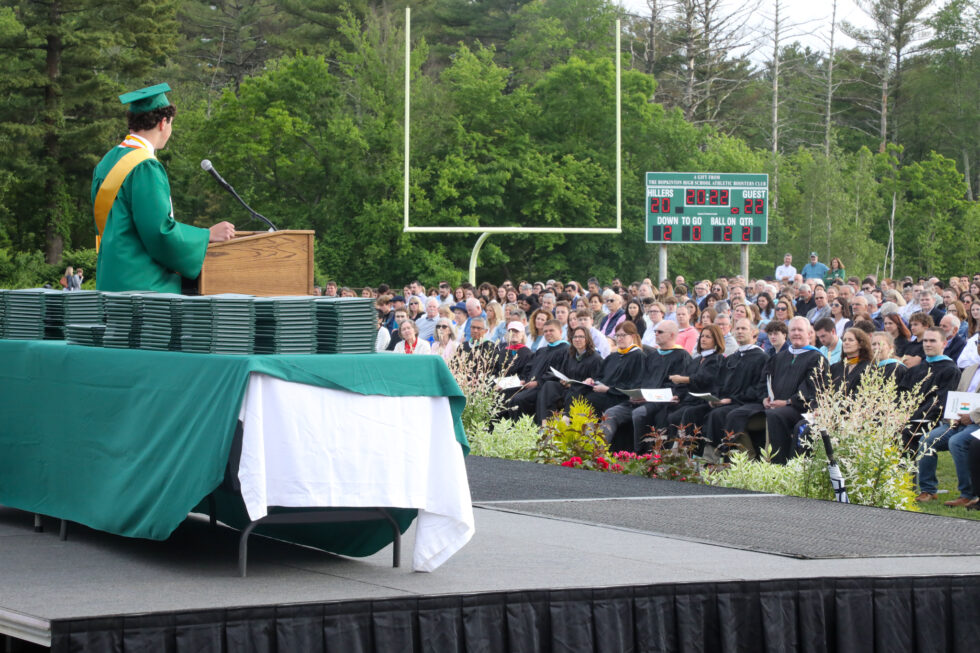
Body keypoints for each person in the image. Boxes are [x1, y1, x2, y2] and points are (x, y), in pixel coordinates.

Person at [93, 84, 234, 292]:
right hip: (142, 286)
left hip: (112, 279)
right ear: (163, 123)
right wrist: (206, 235)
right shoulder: (145, 165)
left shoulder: (108, 161)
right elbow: (159, 233)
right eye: (171, 124)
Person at [725, 317, 828, 464]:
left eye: (800, 330)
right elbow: (763, 382)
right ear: (788, 333)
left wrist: (788, 401)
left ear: (809, 334)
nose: (796, 333)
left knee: (774, 416)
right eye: (793, 330)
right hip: (772, 406)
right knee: (736, 415)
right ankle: (746, 462)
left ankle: (773, 464)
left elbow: (812, 389)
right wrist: (764, 398)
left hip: (797, 408)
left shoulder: (816, 358)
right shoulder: (778, 357)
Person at [599, 320, 691, 452]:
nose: (656, 334)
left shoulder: (682, 356)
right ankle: (599, 452)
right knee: (611, 413)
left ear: (671, 335)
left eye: (660, 332)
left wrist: (650, 397)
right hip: (641, 400)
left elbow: (677, 388)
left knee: (639, 414)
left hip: (659, 402)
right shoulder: (652, 355)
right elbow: (640, 379)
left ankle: (639, 456)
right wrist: (636, 394)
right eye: (655, 331)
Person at [914, 338, 980, 506]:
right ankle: (928, 490)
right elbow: (958, 395)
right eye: (978, 343)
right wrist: (951, 415)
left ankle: (968, 494)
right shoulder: (969, 370)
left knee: (957, 442)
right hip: (958, 421)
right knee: (927, 440)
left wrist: (972, 417)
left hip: (976, 423)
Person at [700, 319, 770, 459]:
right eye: (737, 329)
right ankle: (709, 459)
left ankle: (744, 459)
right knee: (709, 412)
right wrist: (716, 398)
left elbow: (759, 388)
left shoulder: (761, 357)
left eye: (744, 328)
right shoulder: (732, 357)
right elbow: (720, 382)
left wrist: (731, 399)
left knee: (728, 416)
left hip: (750, 404)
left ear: (754, 332)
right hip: (730, 402)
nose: (739, 332)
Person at [898, 327, 961, 453]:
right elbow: (901, 396)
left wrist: (910, 419)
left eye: (932, 341)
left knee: (903, 434)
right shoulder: (915, 370)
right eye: (925, 341)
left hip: (928, 421)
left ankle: (912, 472)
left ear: (944, 343)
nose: (927, 344)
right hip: (906, 417)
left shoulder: (950, 370)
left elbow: (939, 403)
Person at [535, 326, 603, 426]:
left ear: (587, 339)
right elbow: (563, 372)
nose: (577, 339)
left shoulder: (595, 358)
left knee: (573, 392)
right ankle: (545, 423)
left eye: (581, 337)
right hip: (568, 387)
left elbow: (598, 379)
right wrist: (563, 380)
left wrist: (590, 380)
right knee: (549, 385)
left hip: (582, 390)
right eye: (575, 337)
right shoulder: (570, 355)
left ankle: (565, 421)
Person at [665, 325, 725, 439]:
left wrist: (683, 379)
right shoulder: (696, 360)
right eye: (702, 336)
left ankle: (686, 450)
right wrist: (677, 395)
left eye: (708, 337)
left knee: (687, 414)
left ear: (716, 340)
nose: (703, 339)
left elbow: (704, 379)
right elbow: (684, 381)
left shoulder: (717, 359)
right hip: (689, 399)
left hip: (704, 401)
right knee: (667, 410)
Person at [506, 320, 569, 421]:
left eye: (551, 330)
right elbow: (529, 368)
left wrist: (538, 382)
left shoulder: (565, 350)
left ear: (560, 332)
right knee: (506, 395)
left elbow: (559, 372)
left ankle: (524, 431)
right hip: (529, 385)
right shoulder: (542, 350)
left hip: (544, 388)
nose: (548, 333)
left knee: (518, 400)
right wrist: (524, 380)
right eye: (545, 331)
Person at [577, 322, 646, 416]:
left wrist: (608, 389)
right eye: (617, 335)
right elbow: (600, 376)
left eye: (623, 335)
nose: (619, 338)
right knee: (578, 391)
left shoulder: (638, 356)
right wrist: (593, 381)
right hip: (604, 392)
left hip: (619, 397)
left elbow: (634, 384)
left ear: (632, 336)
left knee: (590, 400)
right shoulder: (613, 356)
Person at [829, 328, 872, 396]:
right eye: (844, 340)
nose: (846, 342)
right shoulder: (834, 368)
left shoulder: (868, 368)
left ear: (860, 344)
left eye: (850, 340)